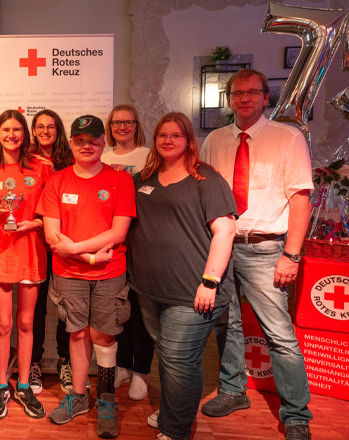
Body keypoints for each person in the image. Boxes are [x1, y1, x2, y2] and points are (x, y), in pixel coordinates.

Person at [200, 68, 314, 440]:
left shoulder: (288, 137)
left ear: (266, 97)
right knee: (226, 325)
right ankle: (234, 391)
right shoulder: (214, 140)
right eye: (237, 93)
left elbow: (300, 198)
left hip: (266, 249)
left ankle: (296, 414)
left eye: (252, 93)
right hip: (222, 246)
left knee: (279, 333)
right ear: (229, 99)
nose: (244, 99)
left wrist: (291, 255)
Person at [129, 112, 237, 440]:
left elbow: (225, 231)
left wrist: (210, 282)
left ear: (189, 140)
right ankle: (176, 407)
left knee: (179, 358)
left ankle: (175, 430)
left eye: (176, 135)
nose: (168, 141)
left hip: (193, 290)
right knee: (169, 355)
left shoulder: (207, 179)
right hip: (150, 288)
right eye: (162, 135)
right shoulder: (145, 177)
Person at [38, 114, 135, 439]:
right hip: (69, 275)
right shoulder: (57, 181)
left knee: (104, 336)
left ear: (103, 142)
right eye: (79, 140)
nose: (87, 145)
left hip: (110, 272)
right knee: (77, 334)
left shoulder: (120, 180)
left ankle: (106, 398)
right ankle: (79, 396)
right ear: (72, 144)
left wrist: (73, 247)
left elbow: (118, 232)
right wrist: (89, 254)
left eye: (93, 139)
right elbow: (53, 236)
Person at [0, 109, 51, 420]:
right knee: (3, 324)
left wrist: (32, 224)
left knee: (26, 323)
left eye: (17, 130)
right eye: (6, 129)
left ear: (25, 134)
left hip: (31, 250)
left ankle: (23, 385)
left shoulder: (41, 167)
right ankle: (1, 387)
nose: (12, 135)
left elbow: (50, 212)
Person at [101, 104, 154, 402]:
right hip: (115, 242)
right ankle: (121, 366)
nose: (122, 127)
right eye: (116, 122)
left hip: (143, 239)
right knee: (120, 308)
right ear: (110, 127)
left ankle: (141, 372)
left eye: (128, 122)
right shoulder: (103, 157)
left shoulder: (148, 155)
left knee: (143, 309)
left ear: (136, 125)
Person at [29, 109, 74, 394]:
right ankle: (32, 361)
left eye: (51, 126)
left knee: (66, 307)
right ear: (33, 130)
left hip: (66, 245)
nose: (45, 131)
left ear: (59, 130)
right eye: (40, 126)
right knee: (34, 309)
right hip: (33, 244)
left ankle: (65, 361)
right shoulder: (24, 161)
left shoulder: (71, 161)